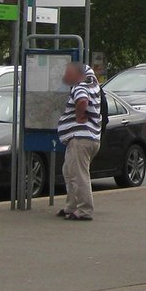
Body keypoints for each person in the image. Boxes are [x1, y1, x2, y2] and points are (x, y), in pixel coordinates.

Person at [56, 61, 102, 221]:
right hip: (88, 138)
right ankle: (72, 207)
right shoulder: (94, 86)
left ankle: (84, 210)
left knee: (78, 175)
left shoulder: (80, 87)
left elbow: (82, 101)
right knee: (69, 172)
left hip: (80, 138)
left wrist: (78, 115)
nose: (65, 77)